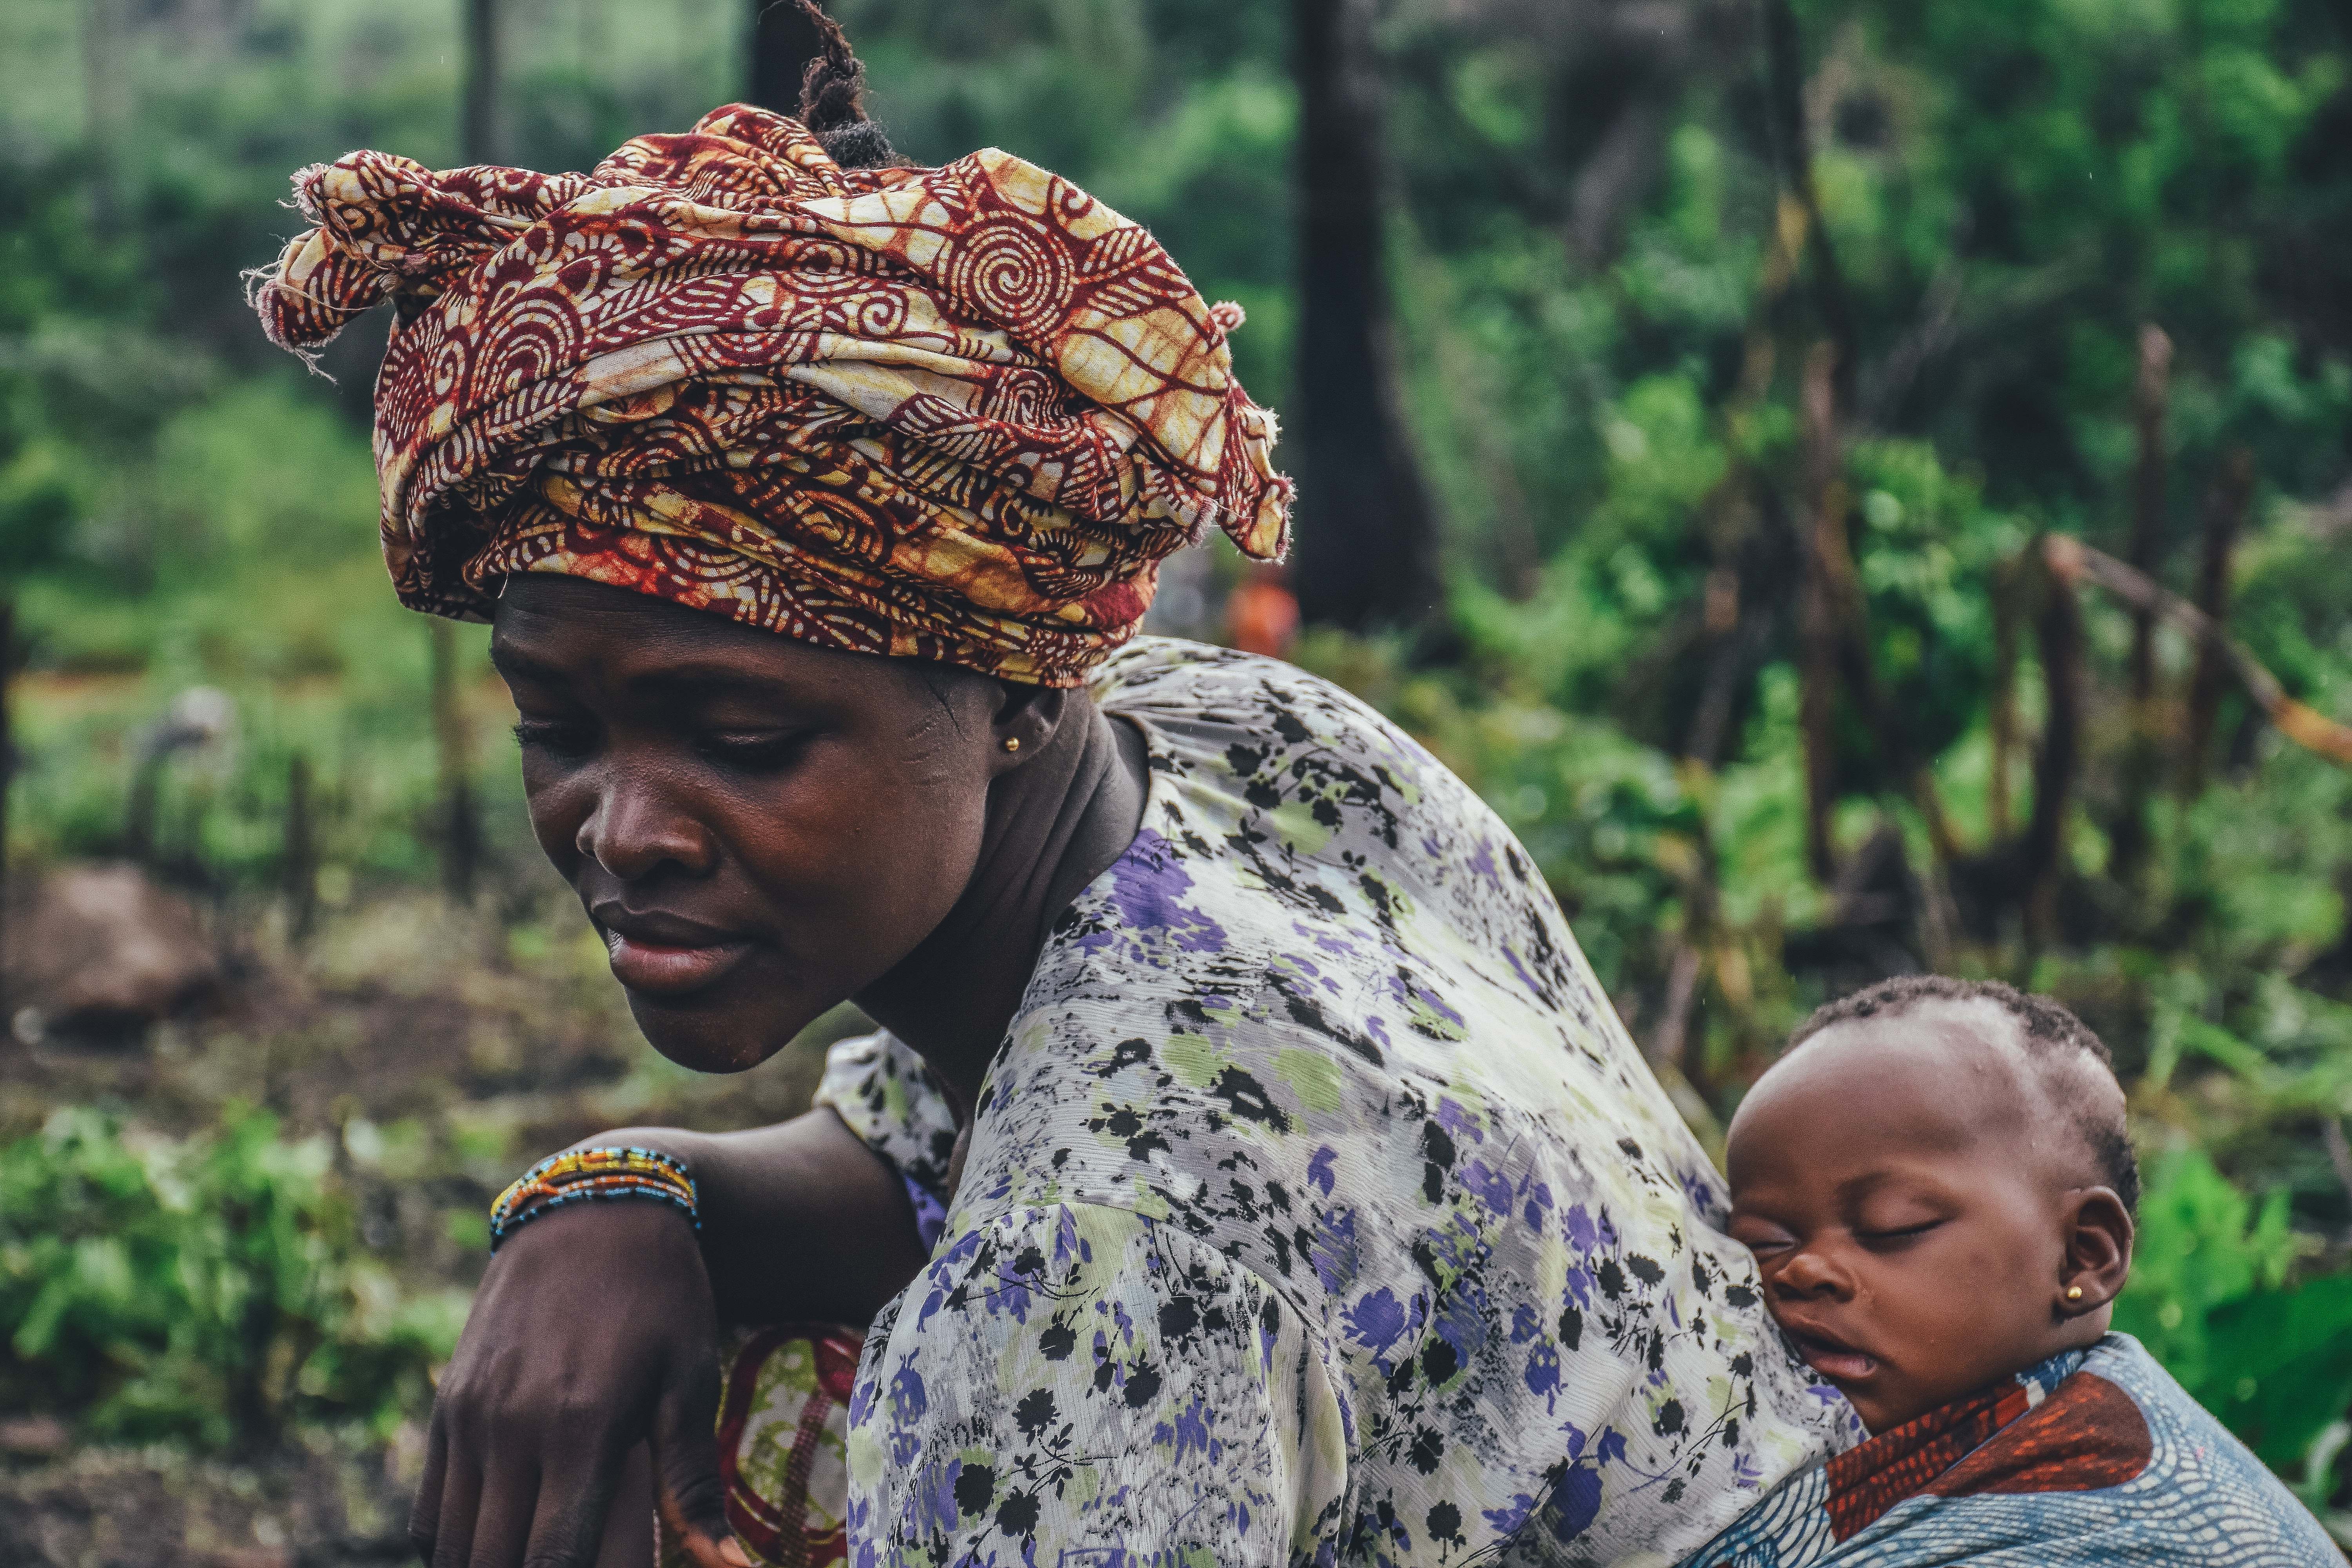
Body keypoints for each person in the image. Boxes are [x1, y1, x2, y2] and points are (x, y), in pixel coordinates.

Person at [249, 11, 1854, 1566]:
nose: (625, 829)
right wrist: (614, 1193)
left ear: (1014, 689)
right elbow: (928, 1142)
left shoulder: (1095, 1275)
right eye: (556, 726)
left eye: (740, 741)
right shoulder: (1247, 744)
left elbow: (1083, 1180)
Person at [1701, 975, 2337, 1564]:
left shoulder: (2135, 1526)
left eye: (1894, 1227)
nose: (1806, 1269)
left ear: (2085, 1254)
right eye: (1765, 1242)